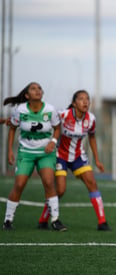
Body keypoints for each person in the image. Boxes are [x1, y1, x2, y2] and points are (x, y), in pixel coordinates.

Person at [37, 90, 111, 231]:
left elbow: (92, 137)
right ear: (74, 103)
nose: (85, 102)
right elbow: (48, 123)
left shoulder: (91, 119)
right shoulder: (63, 115)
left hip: (78, 156)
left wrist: (97, 159)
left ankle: (102, 222)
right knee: (60, 190)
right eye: (81, 99)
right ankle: (43, 220)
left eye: (87, 99)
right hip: (60, 156)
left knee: (92, 183)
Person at [2, 82, 66, 231]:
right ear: (27, 95)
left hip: (46, 153)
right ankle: (8, 220)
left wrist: (53, 141)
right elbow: (12, 128)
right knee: (19, 185)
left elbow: (57, 128)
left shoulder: (50, 110)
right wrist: (10, 151)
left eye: (39, 88)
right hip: (26, 152)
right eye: (33, 89)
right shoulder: (20, 110)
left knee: (49, 183)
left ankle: (55, 220)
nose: (37, 91)